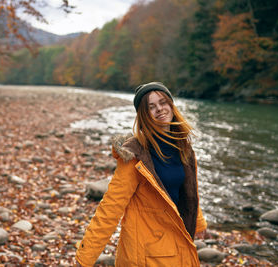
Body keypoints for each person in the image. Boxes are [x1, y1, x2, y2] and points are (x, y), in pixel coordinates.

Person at [75, 82, 207, 266]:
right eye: (151, 107)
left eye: (163, 103)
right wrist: (84, 258)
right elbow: (110, 208)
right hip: (145, 255)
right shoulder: (135, 156)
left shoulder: (183, 147)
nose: (159, 109)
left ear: (171, 105)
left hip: (176, 241)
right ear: (143, 116)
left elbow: (188, 189)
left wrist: (198, 221)